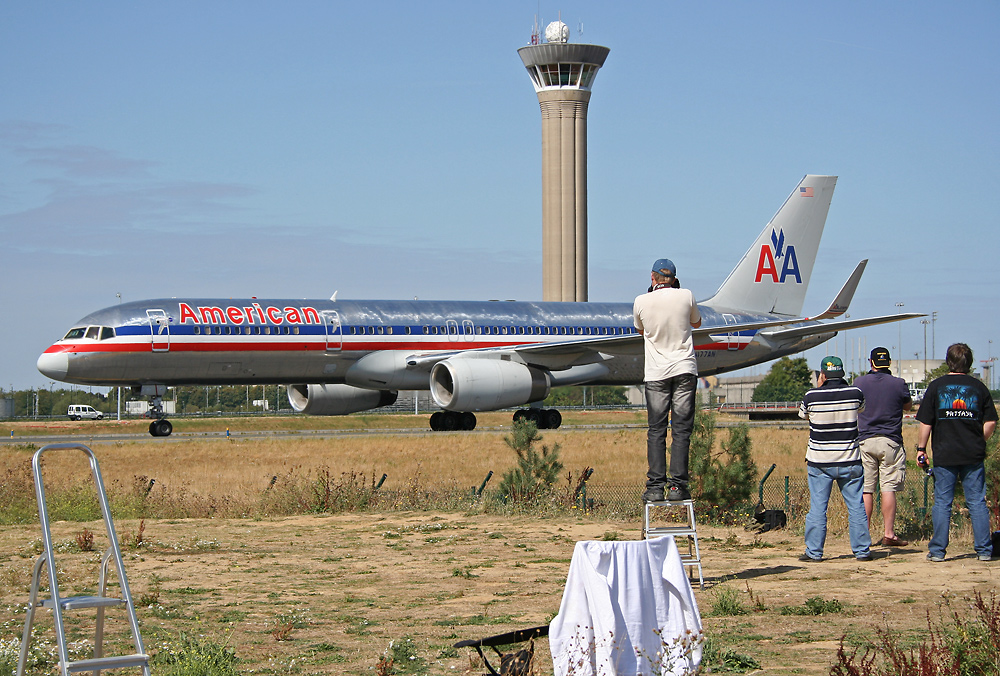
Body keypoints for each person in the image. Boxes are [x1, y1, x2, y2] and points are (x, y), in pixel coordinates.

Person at [915, 343, 997, 562]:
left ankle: (938, 551)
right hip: (973, 453)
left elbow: (926, 422)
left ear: (948, 361)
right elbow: (990, 421)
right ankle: (984, 550)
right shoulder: (979, 387)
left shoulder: (936, 386)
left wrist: (921, 449)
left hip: (944, 453)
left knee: (942, 502)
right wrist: (980, 439)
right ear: (968, 363)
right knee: (977, 502)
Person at [633, 258, 702, 502]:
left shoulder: (641, 301)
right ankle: (678, 487)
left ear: (652, 278)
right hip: (684, 368)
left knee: (656, 430)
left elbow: (642, 330)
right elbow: (696, 322)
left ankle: (655, 486)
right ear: (673, 278)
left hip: (656, 373)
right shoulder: (686, 295)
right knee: (682, 430)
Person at [798, 356, 873, 562]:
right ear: (842, 373)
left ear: (822, 374)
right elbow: (861, 408)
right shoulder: (855, 393)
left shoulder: (811, 396)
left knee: (818, 508)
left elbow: (803, 415)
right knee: (856, 506)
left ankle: (814, 552)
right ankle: (862, 551)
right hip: (850, 459)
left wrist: (819, 387)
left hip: (820, 461)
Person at [853, 347, 913, 546]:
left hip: (865, 440)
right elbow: (907, 406)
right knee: (888, 488)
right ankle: (889, 533)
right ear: (889, 362)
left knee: (867, 490)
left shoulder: (859, 383)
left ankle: (864, 535)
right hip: (890, 441)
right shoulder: (899, 384)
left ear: (870, 362)